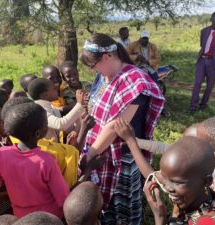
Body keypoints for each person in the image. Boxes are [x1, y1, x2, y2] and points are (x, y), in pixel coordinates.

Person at [80, 33, 164, 224]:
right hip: (102, 148)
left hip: (122, 155)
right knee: (105, 202)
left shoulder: (134, 81)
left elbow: (114, 127)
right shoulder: (104, 76)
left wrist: (90, 154)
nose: (94, 71)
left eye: (93, 65)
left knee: (123, 205)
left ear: (108, 57)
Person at [0, 102, 70, 219]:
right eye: (46, 124)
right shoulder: (45, 160)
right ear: (38, 133)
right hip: (49, 217)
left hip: (21, 216)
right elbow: (63, 196)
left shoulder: (1, 154)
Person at [145, 136, 215, 225]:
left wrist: (160, 219)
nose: (167, 188)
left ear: (207, 181)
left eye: (177, 182)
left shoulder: (206, 222)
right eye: (164, 178)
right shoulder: (193, 196)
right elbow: (154, 175)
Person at [189, 11, 215, 113]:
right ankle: (193, 106)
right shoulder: (204, 31)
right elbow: (202, 45)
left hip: (214, 62)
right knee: (197, 83)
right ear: (211, 19)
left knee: (210, 85)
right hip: (202, 60)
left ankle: (203, 104)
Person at [27, 78, 85, 143]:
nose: (57, 89)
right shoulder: (39, 110)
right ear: (45, 95)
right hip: (46, 150)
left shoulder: (51, 107)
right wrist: (79, 104)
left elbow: (67, 127)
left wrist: (78, 125)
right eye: (54, 89)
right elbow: (60, 125)